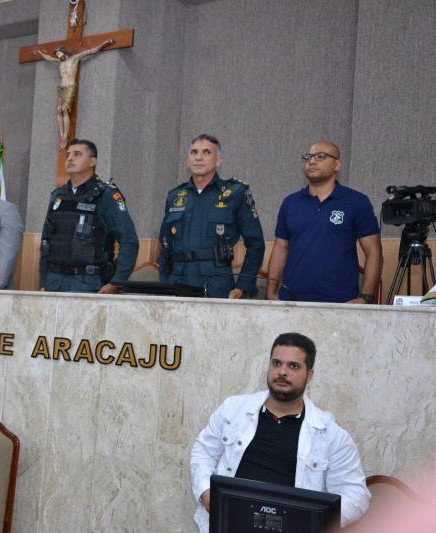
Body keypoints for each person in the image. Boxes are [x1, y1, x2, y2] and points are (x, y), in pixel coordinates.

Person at [190, 332, 370, 531]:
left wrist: (310, 520)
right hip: (228, 524)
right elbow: (203, 452)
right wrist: (206, 493)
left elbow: (356, 495)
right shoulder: (233, 409)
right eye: (276, 363)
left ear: (310, 375)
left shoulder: (332, 436)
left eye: (293, 366)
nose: (282, 372)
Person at [267, 140, 382, 303]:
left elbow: (374, 252)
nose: (312, 161)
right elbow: (281, 247)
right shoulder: (290, 203)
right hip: (292, 300)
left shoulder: (357, 202)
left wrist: (366, 297)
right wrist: (271, 293)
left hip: (341, 302)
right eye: (308, 157)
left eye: (321, 157)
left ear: (337, 165)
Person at [158, 134, 265, 298]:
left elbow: (256, 244)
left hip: (216, 285)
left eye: (206, 152)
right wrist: (164, 280)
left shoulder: (235, 194)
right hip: (176, 283)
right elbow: (165, 244)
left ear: (218, 161)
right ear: (188, 161)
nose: (198, 157)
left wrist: (243, 285)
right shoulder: (175, 196)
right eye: (194, 152)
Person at [39, 138, 139, 293]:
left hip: (89, 281)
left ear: (93, 161)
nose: (70, 158)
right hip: (55, 280)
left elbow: (129, 241)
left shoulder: (106, 195)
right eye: (68, 155)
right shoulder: (58, 196)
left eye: (77, 154)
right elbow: (46, 241)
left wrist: (116, 282)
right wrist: (44, 281)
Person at [36, 39, 113, 147]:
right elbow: (49, 58)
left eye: (59, 53)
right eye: (57, 55)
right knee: (58, 111)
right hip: (61, 87)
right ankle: (61, 134)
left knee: (64, 110)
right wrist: (41, 53)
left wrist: (104, 44)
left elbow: (90, 51)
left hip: (70, 87)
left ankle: (65, 136)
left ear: (64, 52)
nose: (58, 56)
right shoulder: (60, 62)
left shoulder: (74, 58)